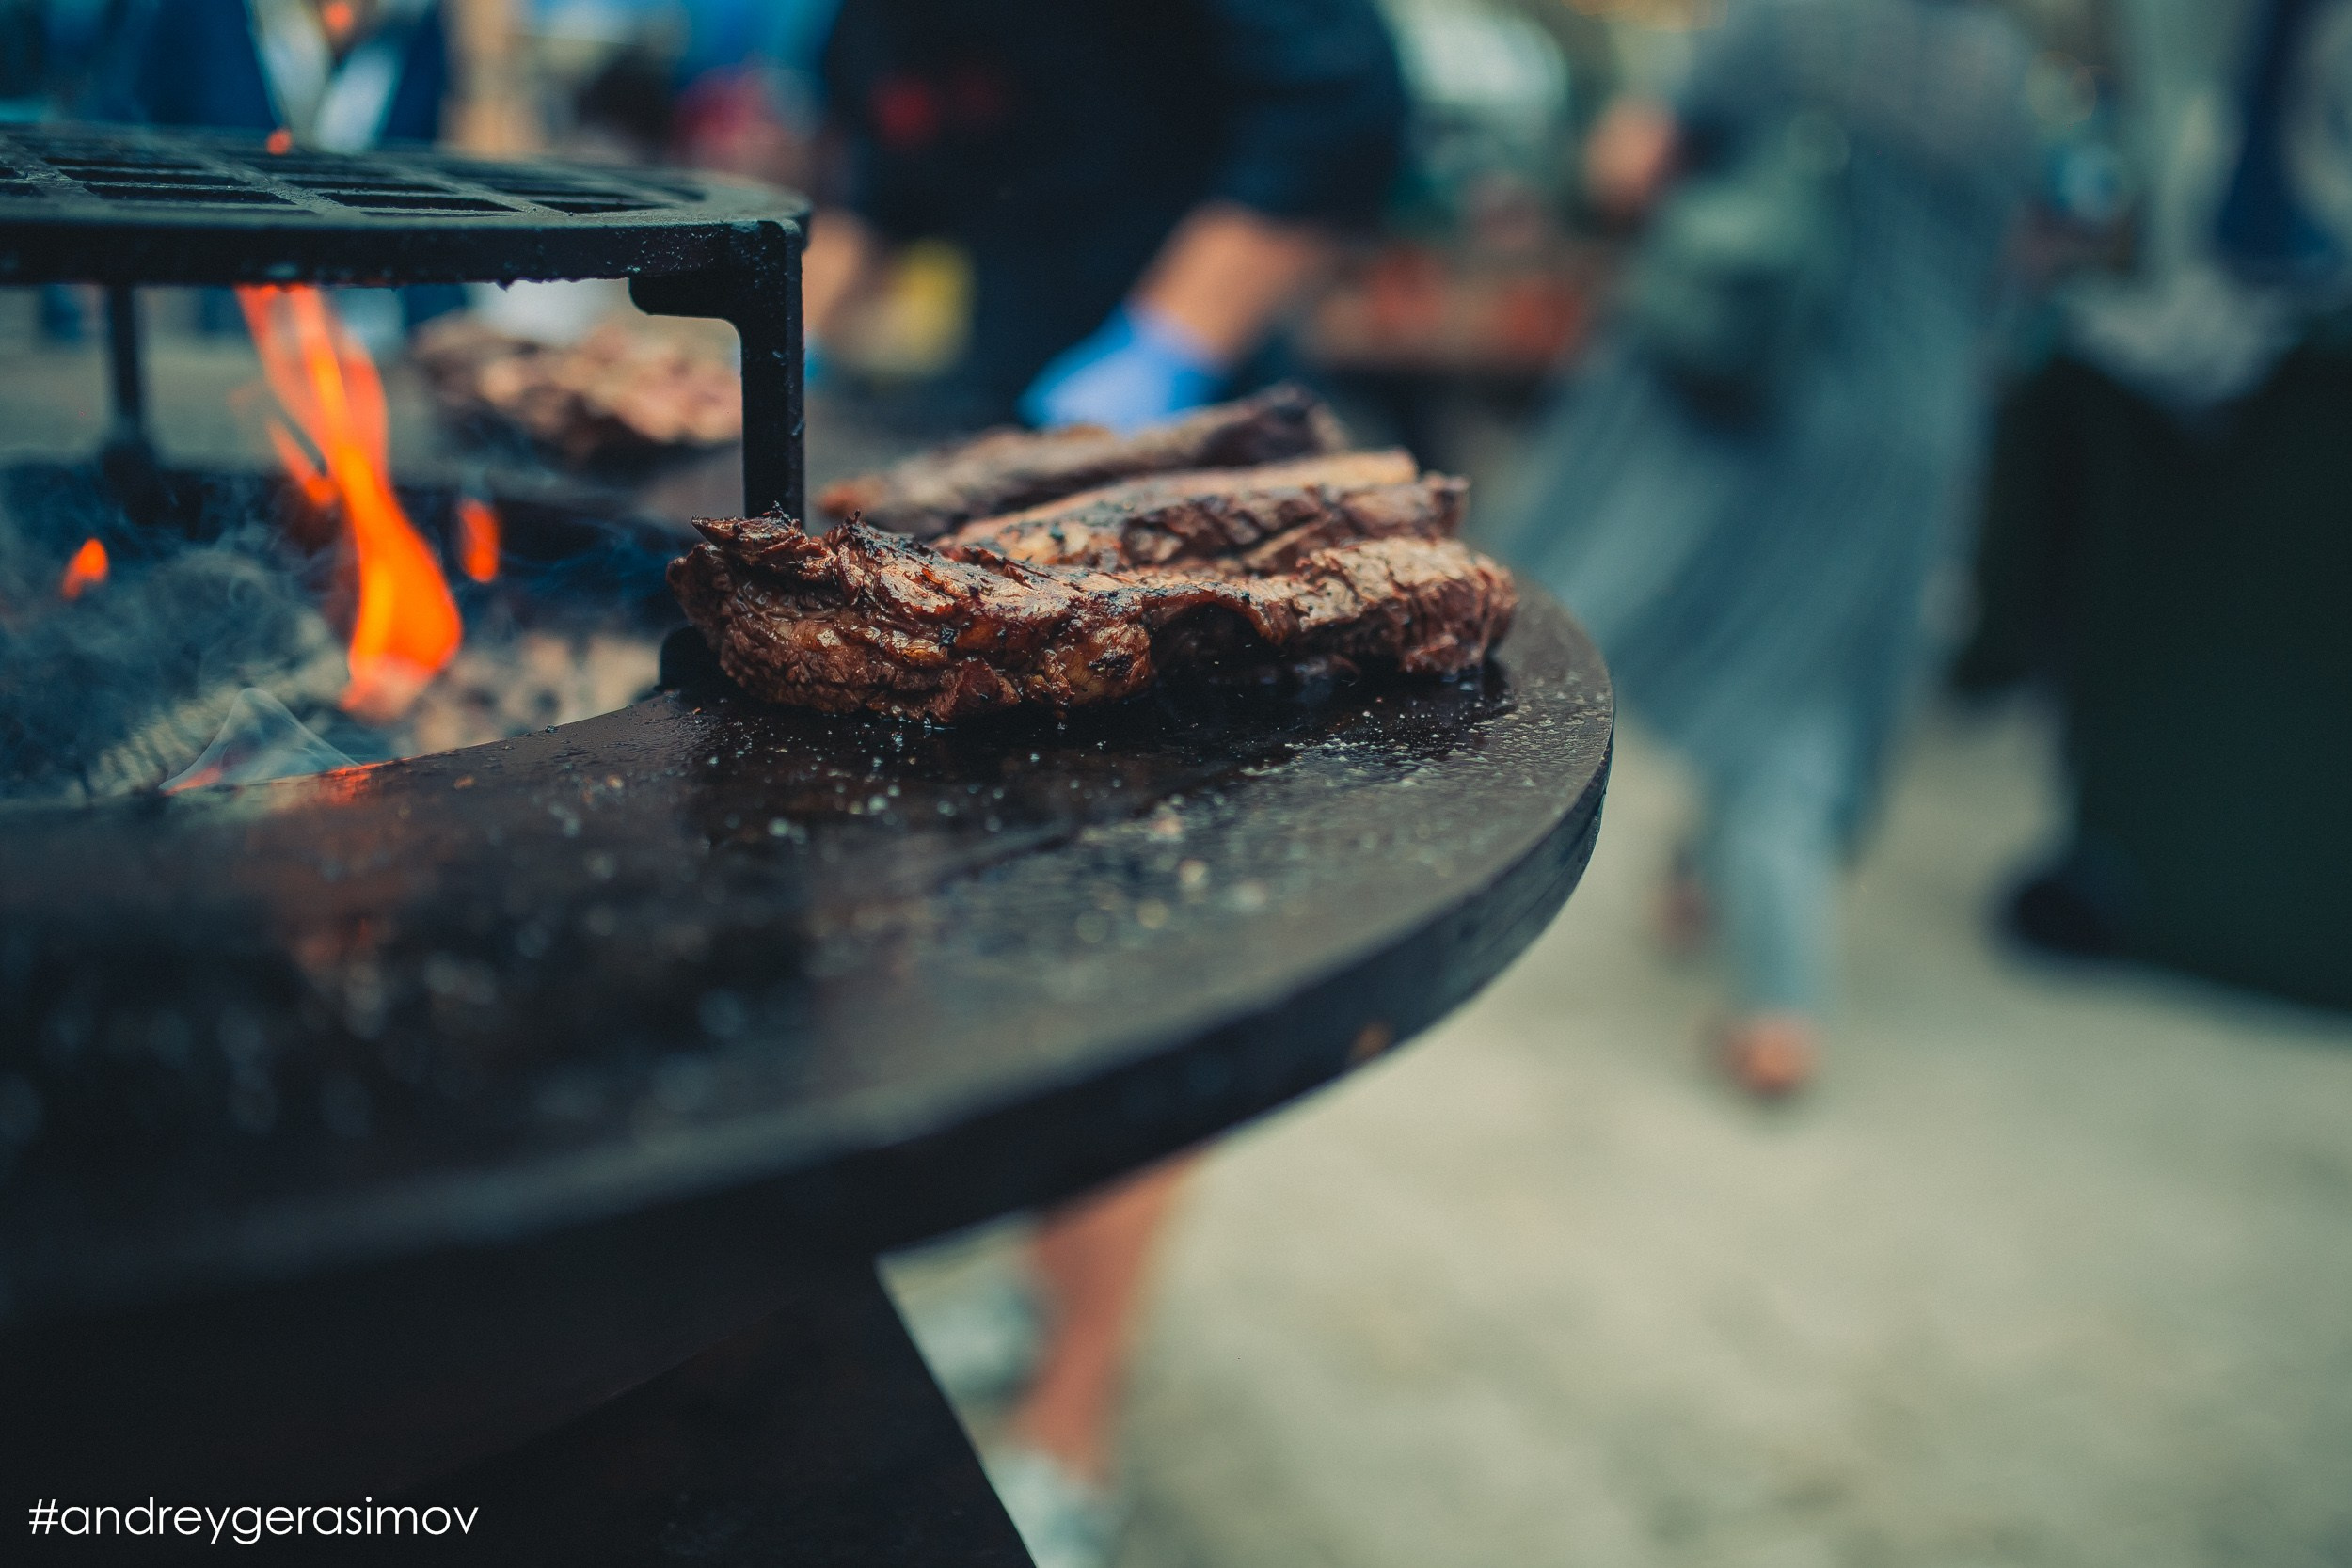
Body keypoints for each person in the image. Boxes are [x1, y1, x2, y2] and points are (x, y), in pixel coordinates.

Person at [796, 6, 1406, 1564]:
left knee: (1141, 956)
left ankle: (1074, 1419)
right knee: (1010, 932)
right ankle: (1034, 1284)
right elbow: (885, 183)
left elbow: (1337, 112)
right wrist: (756, 354)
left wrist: (1166, 344)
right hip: (1000, 452)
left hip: (1199, 488)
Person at [1494, 0, 2038, 1096]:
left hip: (1751, 390)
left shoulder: (1780, 25)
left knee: (1664, 655)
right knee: (1797, 674)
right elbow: (2011, 262)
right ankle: (1710, 891)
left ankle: (1781, 1011)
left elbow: (1627, 169)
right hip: (1910, 426)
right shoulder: (2004, 74)